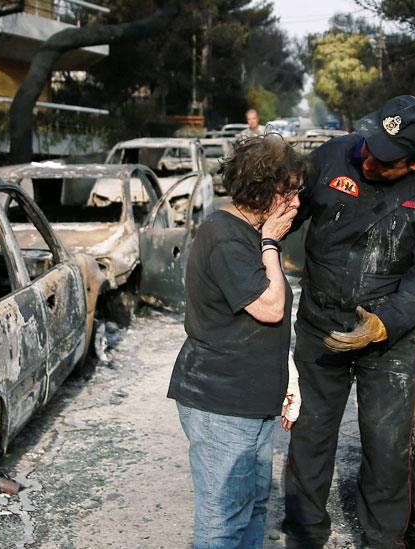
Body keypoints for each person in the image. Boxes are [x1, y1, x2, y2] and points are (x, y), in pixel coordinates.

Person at [283, 95, 415, 548]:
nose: (367, 156)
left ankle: (382, 539)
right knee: (310, 434)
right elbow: (285, 215)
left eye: (381, 156)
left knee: (385, 448)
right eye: (368, 142)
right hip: (320, 324)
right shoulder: (332, 156)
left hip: (387, 341)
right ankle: (304, 531)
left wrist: (384, 324)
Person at [168, 135, 304, 548]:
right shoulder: (228, 237)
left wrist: (286, 378)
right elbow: (270, 308)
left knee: (253, 510)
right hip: (221, 404)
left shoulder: (247, 230)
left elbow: (268, 331)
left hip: (252, 401)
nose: (297, 202)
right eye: (291, 191)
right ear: (263, 191)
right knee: (222, 522)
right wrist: (271, 243)